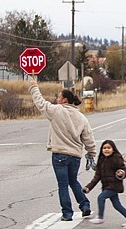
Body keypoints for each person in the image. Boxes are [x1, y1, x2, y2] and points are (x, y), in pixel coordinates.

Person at [30, 79, 96, 221]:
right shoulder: (81, 117)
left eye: (58, 97)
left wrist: (34, 87)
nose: (56, 99)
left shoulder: (56, 111)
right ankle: (85, 205)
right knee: (73, 181)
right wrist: (91, 153)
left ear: (64, 100)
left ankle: (67, 213)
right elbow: (88, 137)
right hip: (75, 156)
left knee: (63, 185)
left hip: (60, 154)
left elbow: (40, 103)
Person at [83, 140, 126, 227]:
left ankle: (100, 217)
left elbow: (123, 169)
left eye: (109, 148)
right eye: (104, 148)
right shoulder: (101, 161)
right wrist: (88, 187)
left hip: (114, 185)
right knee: (116, 204)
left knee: (101, 197)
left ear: (113, 149)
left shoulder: (116, 158)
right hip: (107, 186)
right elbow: (97, 177)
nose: (106, 150)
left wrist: (121, 172)